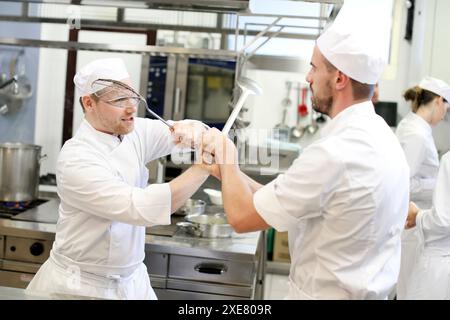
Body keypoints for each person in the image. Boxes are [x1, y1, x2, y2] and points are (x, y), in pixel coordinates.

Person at [199, 12, 410, 299]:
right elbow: (288, 198)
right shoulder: (384, 138)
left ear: (339, 78)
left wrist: (227, 155)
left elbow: (241, 218)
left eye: (313, 68)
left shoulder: (335, 153)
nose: (307, 77)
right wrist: (230, 173)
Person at [26, 58, 210, 300]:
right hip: (80, 288)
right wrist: (203, 168)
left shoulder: (134, 131)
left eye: (133, 96)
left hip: (133, 282)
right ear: (89, 103)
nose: (131, 107)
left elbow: (185, 130)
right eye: (119, 100)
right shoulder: (77, 157)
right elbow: (141, 207)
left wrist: (195, 130)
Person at [395, 76, 450, 299]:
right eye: (446, 105)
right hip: (414, 225)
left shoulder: (412, 126)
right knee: (408, 287)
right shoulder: (417, 134)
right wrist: (438, 184)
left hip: (419, 225)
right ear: (438, 101)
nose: (446, 112)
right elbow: (403, 183)